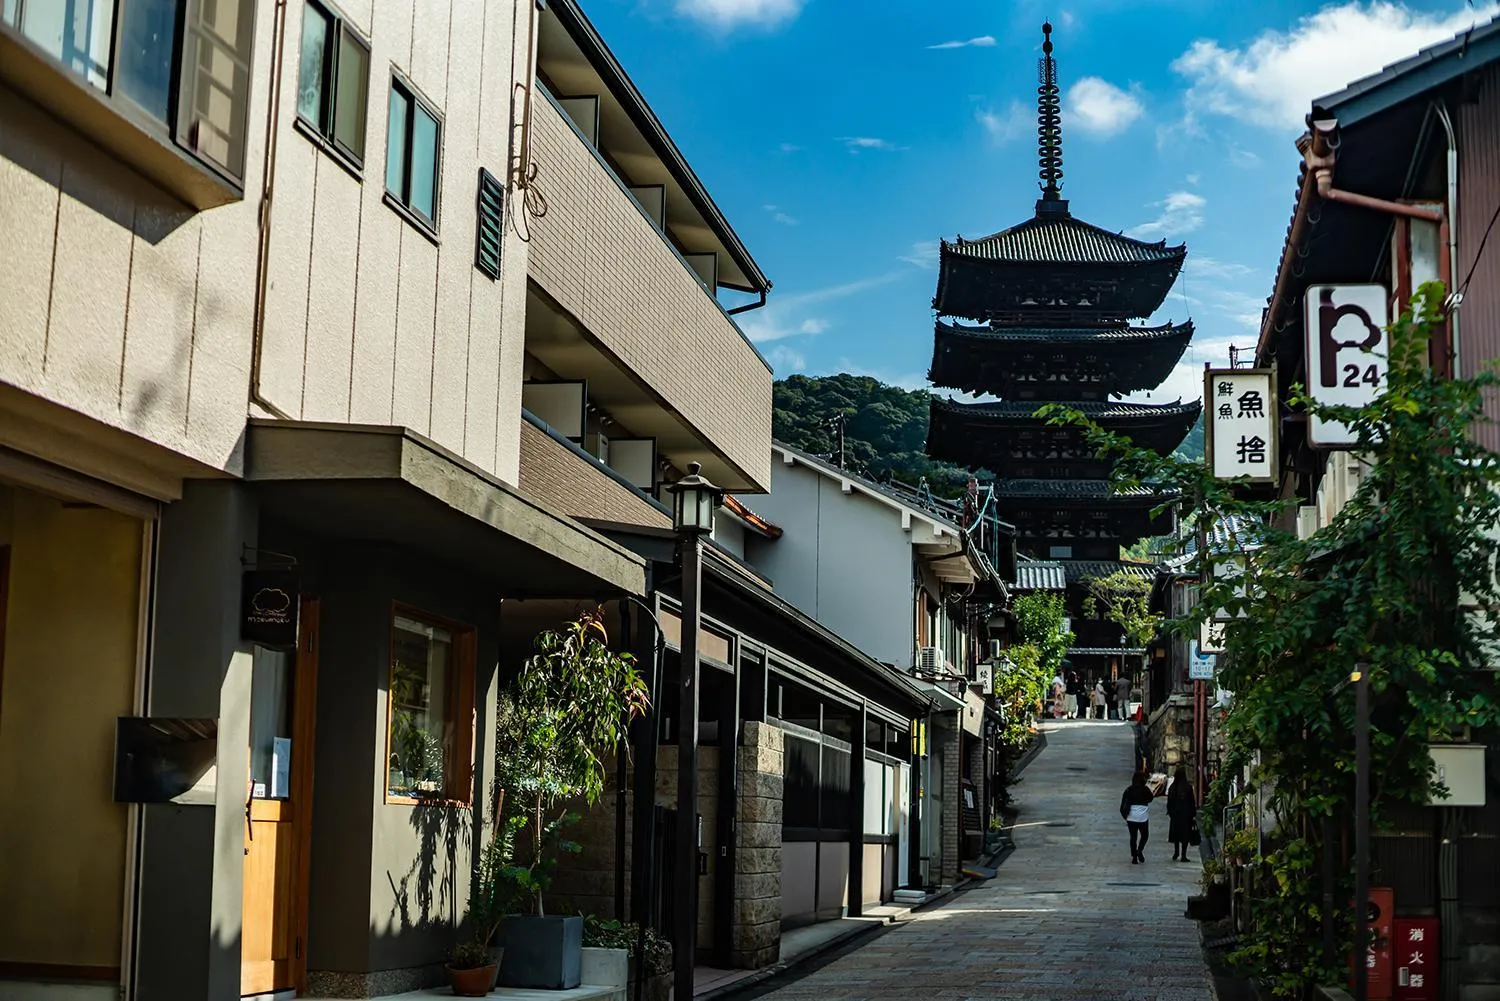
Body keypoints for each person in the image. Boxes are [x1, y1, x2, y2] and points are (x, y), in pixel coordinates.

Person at [1119, 771, 1154, 864]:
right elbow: (1151, 798)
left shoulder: (1129, 790)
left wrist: (1125, 816)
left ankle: (1134, 857)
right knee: (1145, 835)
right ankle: (1139, 850)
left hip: (1131, 816)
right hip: (1143, 816)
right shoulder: (1145, 789)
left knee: (1133, 837)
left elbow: (1122, 805)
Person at [1166, 767, 1197, 861]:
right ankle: (1183, 855)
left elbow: (1169, 802)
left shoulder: (1172, 787)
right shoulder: (1188, 788)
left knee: (1176, 835)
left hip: (1175, 815)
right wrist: (1193, 814)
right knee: (1185, 836)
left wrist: (1170, 812)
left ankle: (1176, 853)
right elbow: (1192, 802)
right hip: (1186, 816)